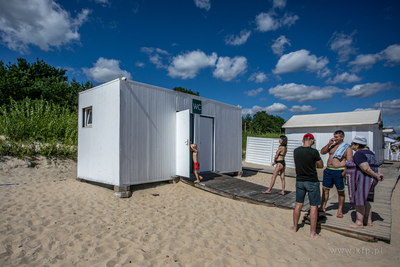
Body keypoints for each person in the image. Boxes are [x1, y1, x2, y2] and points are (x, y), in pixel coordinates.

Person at [346, 136, 383, 228]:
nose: (352, 146)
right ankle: (368, 221)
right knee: (365, 200)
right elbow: (373, 166)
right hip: (370, 180)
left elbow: (366, 168)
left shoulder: (359, 154)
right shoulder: (371, 153)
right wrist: (377, 174)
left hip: (364, 180)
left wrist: (377, 176)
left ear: (357, 145)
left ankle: (359, 223)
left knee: (359, 201)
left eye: (352, 144)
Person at [291, 133, 324, 238]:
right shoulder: (314, 152)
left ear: (303, 140)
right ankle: (312, 233)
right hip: (311, 181)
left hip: (300, 180)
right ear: (312, 141)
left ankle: (295, 227)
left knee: (298, 204)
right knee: (313, 206)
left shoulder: (296, 151)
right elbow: (320, 165)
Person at [319, 130, 353, 218]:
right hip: (328, 170)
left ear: (342, 137)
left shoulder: (347, 147)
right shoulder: (331, 146)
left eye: (337, 137)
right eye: (334, 136)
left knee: (340, 191)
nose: (335, 138)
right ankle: (322, 207)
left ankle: (340, 210)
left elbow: (349, 162)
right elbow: (322, 152)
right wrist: (328, 144)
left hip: (339, 170)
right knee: (325, 189)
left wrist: (344, 172)